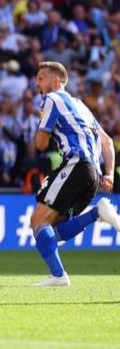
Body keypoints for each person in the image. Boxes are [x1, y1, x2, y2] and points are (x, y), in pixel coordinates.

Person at [31, 61, 120, 286]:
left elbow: (40, 144)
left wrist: (40, 127)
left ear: (56, 81)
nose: (36, 83)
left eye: (41, 78)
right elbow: (107, 141)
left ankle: (59, 276)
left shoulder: (51, 99)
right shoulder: (80, 105)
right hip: (93, 175)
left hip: (76, 164)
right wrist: (109, 174)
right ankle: (96, 214)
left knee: (37, 221)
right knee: (52, 229)